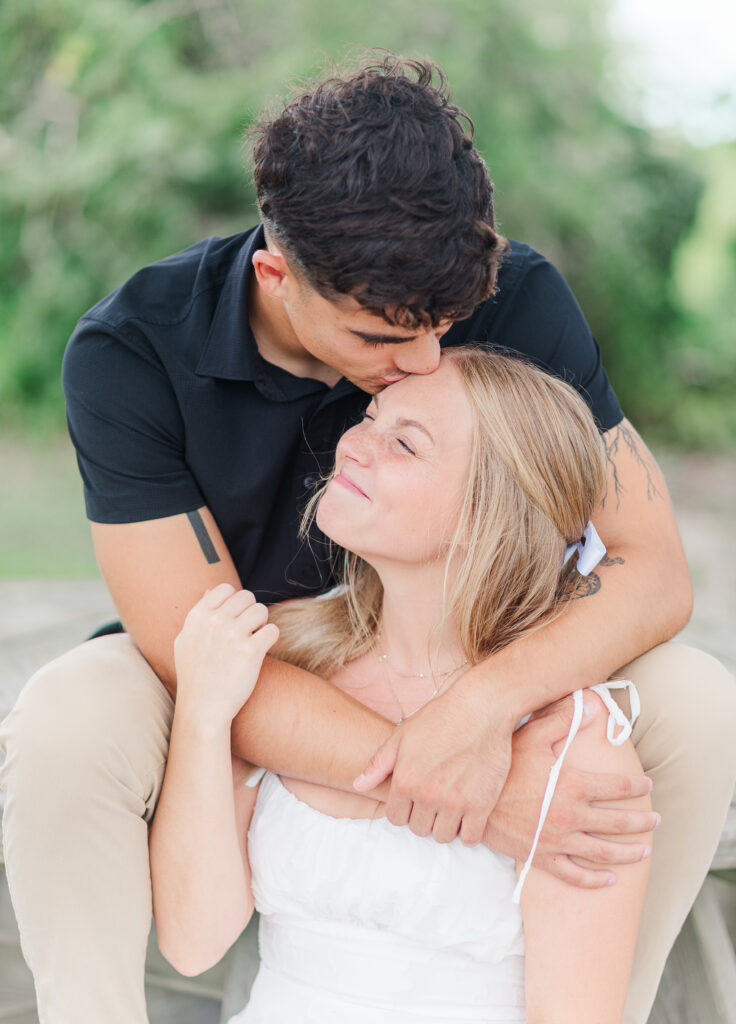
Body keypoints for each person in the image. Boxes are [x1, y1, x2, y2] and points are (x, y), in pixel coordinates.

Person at [0, 52, 734, 1024]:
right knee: (67, 715)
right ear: (276, 275)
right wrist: (470, 794)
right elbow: (196, 649)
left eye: (450, 324)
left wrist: (478, 710)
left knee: (696, 699)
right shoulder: (131, 350)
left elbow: (651, 572)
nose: (428, 360)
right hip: (250, 653)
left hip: (472, 644)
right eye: (385, 339)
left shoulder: (510, 292)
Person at [150, 347, 654, 1023]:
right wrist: (206, 715)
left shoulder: (571, 741)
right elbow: (191, 940)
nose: (355, 444)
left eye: (404, 444)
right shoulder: (288, 664)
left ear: (485, 515)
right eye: (371, 416)